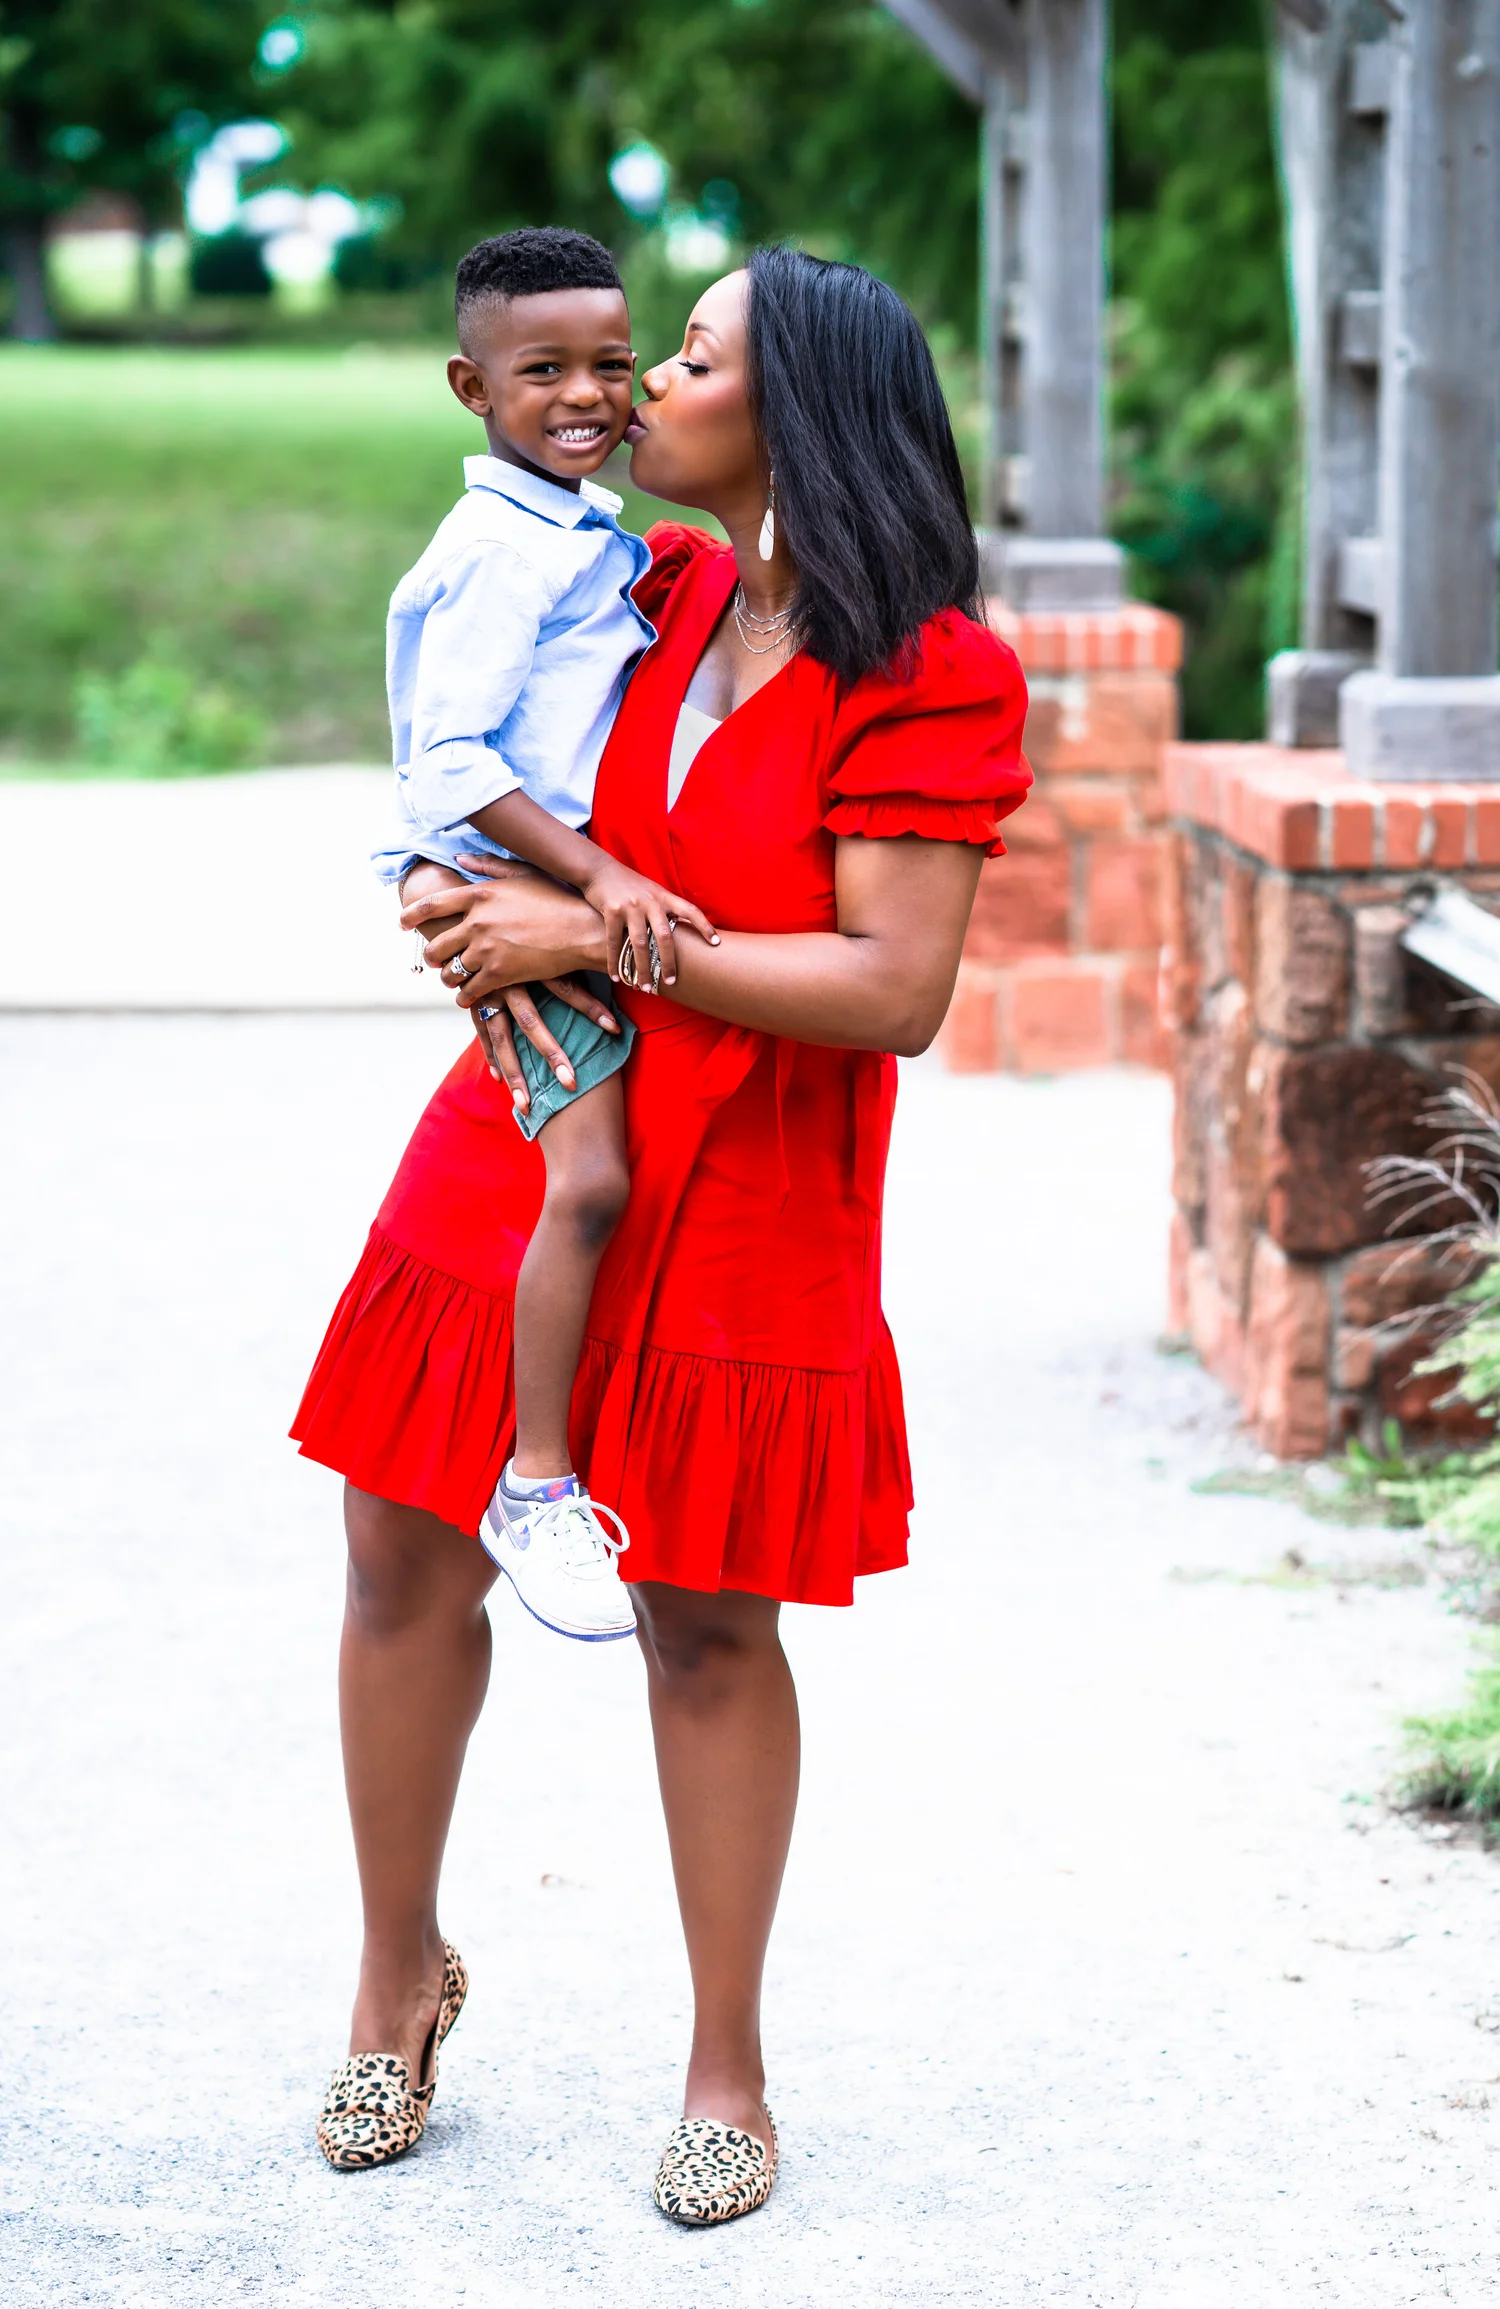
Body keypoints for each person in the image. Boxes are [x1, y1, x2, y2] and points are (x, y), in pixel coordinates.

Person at [293, 245, 1031, 2217]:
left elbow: (893, 989)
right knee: (398, 1549)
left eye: (686, 362)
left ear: (794, 417)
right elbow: (475, 756)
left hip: (761, 1172)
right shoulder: (646, 584)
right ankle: (394, 1980)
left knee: (705, 1617)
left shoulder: (930, 669)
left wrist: (590, 929)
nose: (640, 392)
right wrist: (467, 901)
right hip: (538, 1129)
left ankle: (726, 2067)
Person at [375, 224, 716, 1644]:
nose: (588, 394)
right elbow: (450, 757)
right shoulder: (499, 552)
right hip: (513, 887)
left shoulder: (574, 532)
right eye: (544, 371)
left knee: (605, 1178)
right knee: (587, 1184)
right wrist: (597, 881)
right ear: (472, 388)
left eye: (614, 365)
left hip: (547, 885)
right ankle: (537, 1483)